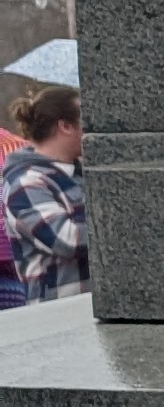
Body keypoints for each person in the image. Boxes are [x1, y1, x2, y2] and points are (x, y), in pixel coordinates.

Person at [3, 85, 88, 303]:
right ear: (65, 126)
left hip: (93, 303)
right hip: (59, 311)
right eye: (86, 120)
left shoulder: (79, 172)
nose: (92, 129)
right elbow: (66, 239)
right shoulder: (26, 182)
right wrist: (129, 230)